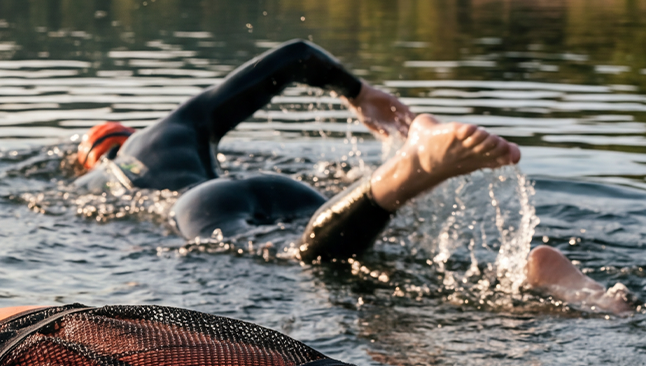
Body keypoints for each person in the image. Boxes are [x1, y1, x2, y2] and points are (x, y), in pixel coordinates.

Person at [65, 39, 633, 313]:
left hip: (204, 205)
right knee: (388, 252)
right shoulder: (176, 128)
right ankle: (546, 282)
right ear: (129, 131)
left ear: (92, 156)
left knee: (304, 256)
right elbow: (293, 55)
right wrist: (359, 93)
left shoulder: (99, 178)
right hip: (284, 190)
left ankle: (408, 172)